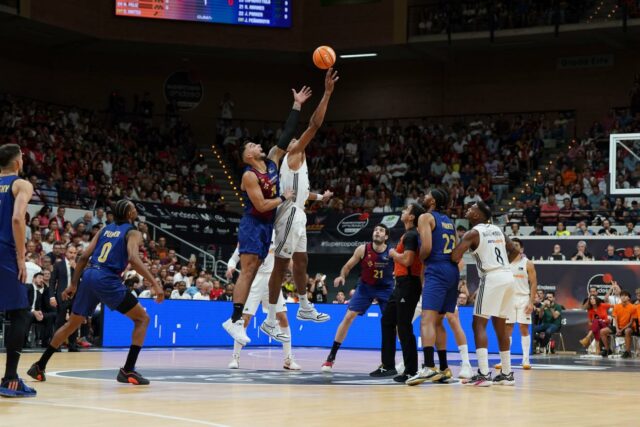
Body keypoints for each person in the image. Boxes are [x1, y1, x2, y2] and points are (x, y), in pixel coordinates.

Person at [27, 200, 164, 386]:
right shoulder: (133, 232)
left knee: (72, 324)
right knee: (142, 319)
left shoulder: (104, 230)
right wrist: (156, 283)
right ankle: (128, 370)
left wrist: (73, 284)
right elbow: (133, 257)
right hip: (107, 278)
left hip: (90, 275)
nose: (135, 210)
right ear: (130, 214)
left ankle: (40, 366)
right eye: (133, 208)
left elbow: (84, 257)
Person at [221, 86, 305, 345]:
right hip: (253, 222)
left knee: (254, 269)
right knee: (247, 272)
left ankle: (236, 321)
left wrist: (297, 105)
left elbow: (287, 134)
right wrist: (284, 198)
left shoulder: (271, 161)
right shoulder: (248, 175)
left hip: (266, 226)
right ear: (248, 154)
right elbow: (260, 205)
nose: (259, 144)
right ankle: (234, 321)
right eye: (253, 144)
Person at [261, 69, 339, 341]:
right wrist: (327, 93)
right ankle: (270, 319)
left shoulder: (299, 162)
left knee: (302, 260)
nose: (296, 140)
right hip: (288, 215)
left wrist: (320, 198)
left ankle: (304, 306)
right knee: (281, 267)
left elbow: (302, 193)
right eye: (293, 139)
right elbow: (314, 125)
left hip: (300, 212)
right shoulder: (292, 155)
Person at [451, 201, 518, 387]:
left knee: (478, 323)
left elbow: (455, 256)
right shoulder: (498, 230)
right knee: (501, 325)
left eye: (471, 208)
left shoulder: (473, 233)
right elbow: (514, 251)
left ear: (477, 215)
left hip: (492, 277)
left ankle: (483, 373)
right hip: (507, 275)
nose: (467, 210)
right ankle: (506, 373)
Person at [406, 190, 464, 386]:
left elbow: (427, 248)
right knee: (439, 322)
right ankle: (444, 369)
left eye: (428, 194)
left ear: (433, 200)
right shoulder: (449, 221)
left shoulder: (425, 217)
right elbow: (456, 251)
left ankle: (429, 367)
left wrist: (421, 259)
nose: (424, 195)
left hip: (437, 268)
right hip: (452, 270)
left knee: (426, 319)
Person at [321, 225, 394, 372]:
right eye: (375, 230)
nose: (377, 232)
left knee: (393, 324)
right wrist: (342, 276)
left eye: (381, 231)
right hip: (366, 288)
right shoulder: (363, 249)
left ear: (386, 237)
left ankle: (394, 361)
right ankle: (331, 357)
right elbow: (347, 267)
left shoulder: (391, 252)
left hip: (385, 289)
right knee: (348, 317)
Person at [225, 235, 300, 371]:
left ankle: (288, 360)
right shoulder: (250, 234)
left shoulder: (279, 234)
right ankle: (235, 358)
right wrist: (230, 267)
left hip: (272, 280)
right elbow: (234, 258)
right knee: (245, 319)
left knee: (283, 317)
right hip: (254, 280)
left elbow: (287, 259)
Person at [0, 144, 37, 397]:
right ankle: (10, 380)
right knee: (20, 314)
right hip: (4, 252)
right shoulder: (21, 184)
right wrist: (21, 258)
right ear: (17, 162)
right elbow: (16, 219)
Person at [377, 202, 425, 382]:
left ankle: (411, 370)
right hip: (401, 284)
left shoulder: (412, 235)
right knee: (388, 320)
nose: (403, 211)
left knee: (404, 326)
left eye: (406, 210)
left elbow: (408, 260)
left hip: (409, 284)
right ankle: (388, 365)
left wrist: (393, 254)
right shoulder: (408, 234)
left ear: (411, 217)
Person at [496, 238, 538, 370]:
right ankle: (504, 361)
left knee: (523, 328)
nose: (513, 247)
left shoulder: (528, 263)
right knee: (507, 329)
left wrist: (531, 302)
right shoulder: (504, 263)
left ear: (522, 249)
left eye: (516, 245)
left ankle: (526, 360)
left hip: (523, 298)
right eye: (512, 245)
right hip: (508, 299)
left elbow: (534, 283)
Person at [50, 243, 79, 352]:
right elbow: (52, 281)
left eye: (75, 253)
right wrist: (52, 296)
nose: (73, 255)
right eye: (71, 252)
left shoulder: (79, 265)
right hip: (62, 296)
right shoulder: (58, 264)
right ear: (66, 253)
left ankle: (72, 345)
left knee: (74, 321)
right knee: (60, 321)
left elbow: (84, 278)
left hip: (75, 297)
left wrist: (75, 268)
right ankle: (56, 345)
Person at [603, 290, 636, 358]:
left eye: (625, 296)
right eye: (622, 296)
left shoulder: (633, 307)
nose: (623, 297)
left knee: (627, 331)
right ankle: (608, 350)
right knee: (602, 331)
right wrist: (617, 329)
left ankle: (627, 351)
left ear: (628, 298)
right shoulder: (616, 306)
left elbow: (631, 322)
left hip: (628, 327)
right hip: (618, 327)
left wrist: (621, 330)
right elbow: (615, 319)